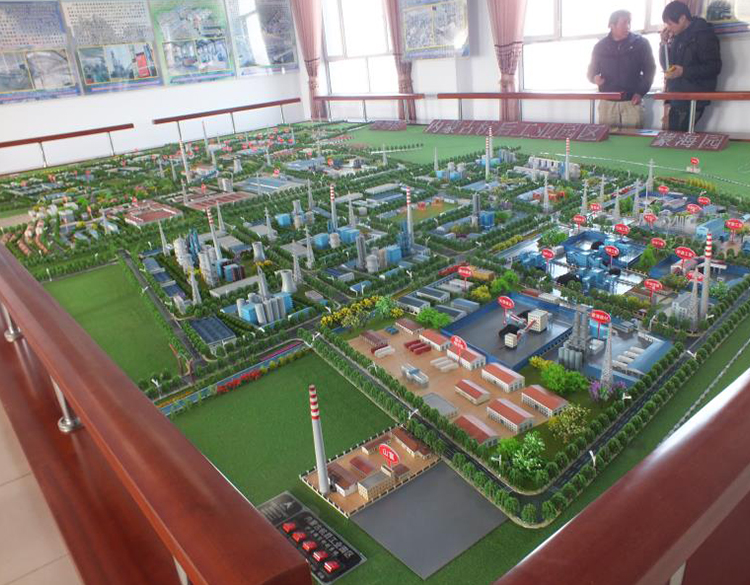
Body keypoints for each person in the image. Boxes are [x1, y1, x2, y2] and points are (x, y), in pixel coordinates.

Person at [587, 10, 655, 129]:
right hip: (607, 103)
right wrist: (595, 79)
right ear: (612, 25)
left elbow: (650, 70)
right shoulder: (600, 47)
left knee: (633, 138)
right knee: (608, 137)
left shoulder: (641, 43)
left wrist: (640, 92)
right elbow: (591, 72)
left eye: (629, 22)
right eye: (624, 23)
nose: (628, 26)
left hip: (632, 101)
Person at [660, 1, 722, 131]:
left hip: (693, 97)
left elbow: (714, 67)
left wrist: (683, 71)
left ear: (682, 18)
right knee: (674, 137)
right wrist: (664, 43)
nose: (668, 28)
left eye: (670, 24)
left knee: (679, 137)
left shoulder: (704, 34)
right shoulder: (677, 36)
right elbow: (667, 65)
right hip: (676, 95)